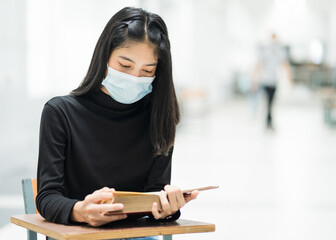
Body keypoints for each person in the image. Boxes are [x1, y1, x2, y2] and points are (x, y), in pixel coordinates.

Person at [36, 7, 198, 231]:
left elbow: (155, 197)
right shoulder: (60, 112)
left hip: (135, 236)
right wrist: (79, 211)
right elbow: (47, 197)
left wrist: (167, 210)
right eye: (125, 65)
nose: (134, 77)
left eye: (147, 70)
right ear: (104, 56)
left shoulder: (159, 117)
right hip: (77, 236)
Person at [252, 33, 293, 130]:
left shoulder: (280, 51)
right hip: (265, 81)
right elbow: (259, 66)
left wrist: (290, 79)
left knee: (271, 102)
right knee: (268, 102)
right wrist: (254, 80)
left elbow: (285, 65)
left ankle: (269, 120)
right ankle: (268, 121)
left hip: (274, 80)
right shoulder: (265, 51)